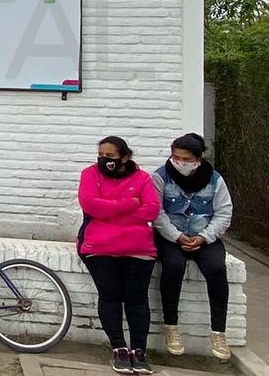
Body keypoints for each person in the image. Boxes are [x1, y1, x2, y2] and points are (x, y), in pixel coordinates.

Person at [77, 136, 161, 375]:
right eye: (101, 155)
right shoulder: (90, 174)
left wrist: (110, 210)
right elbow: (91, 205)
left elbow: (152, 209)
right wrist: (128, 205)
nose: (104, 160)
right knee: (110, 294)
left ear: (125, 157)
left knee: (136, 297)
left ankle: (139, 350)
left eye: (110, 156)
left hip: (138, 247)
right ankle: (119, 348)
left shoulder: (142, 178)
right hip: (100, 245)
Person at [152, 133, 233, 361]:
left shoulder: (215, 180)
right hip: (171, 236)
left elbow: (224, 213)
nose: (179, 162)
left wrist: (205, 237)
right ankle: (172, 327)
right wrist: (176, 236)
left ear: (197, 159)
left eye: (185, 159)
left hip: (204, 236)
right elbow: (157, 213)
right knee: (173, 267)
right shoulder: (161, 177)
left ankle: (218, 331)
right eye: (175, 157)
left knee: (216, 269)